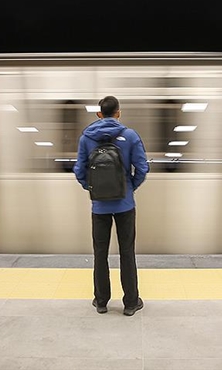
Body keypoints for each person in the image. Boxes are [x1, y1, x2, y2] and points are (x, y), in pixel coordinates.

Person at [73, 95, 149, 316]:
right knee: (127, 252)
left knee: (100, 253)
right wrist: (129, 188)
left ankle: (101, 301)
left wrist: (93, 188)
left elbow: (79, 170)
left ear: (99, 114)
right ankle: (131, 303)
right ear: (118, 113)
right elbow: (142, 169)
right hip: (125, 205)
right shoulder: (130, 136)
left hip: (99, 207)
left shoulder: (86, 138)